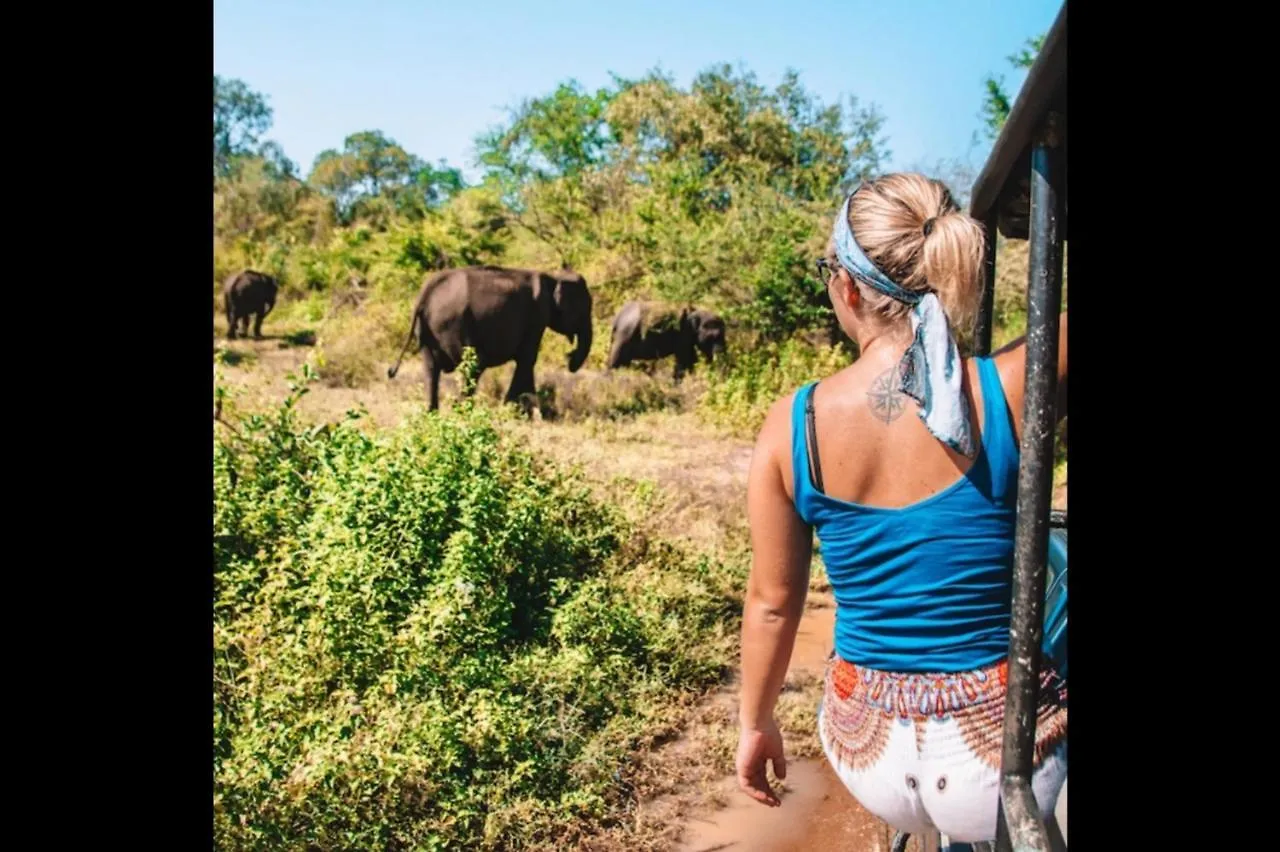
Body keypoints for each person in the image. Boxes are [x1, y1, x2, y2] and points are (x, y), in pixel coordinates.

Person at [734, 172, 1067, 845]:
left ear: (847, 286)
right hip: (1000, 760)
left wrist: (755, 725)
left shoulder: (790, 425)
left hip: (868, 750)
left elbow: (773, 603)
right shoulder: (1008, 384)